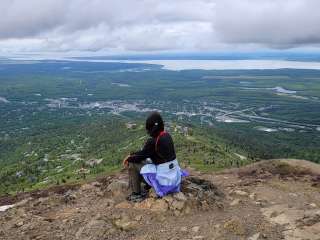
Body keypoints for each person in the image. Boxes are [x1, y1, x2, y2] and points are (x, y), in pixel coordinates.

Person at [123, 112, 187, 202]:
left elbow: (139, 157)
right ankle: (149, 185)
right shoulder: (167, 136)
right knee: (149, 160)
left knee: (132, 163)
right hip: (174, 179)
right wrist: (133, 154)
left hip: (163, 182)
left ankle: (136, 194)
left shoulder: (153, 141)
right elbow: (145, 153)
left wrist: (128, 158)